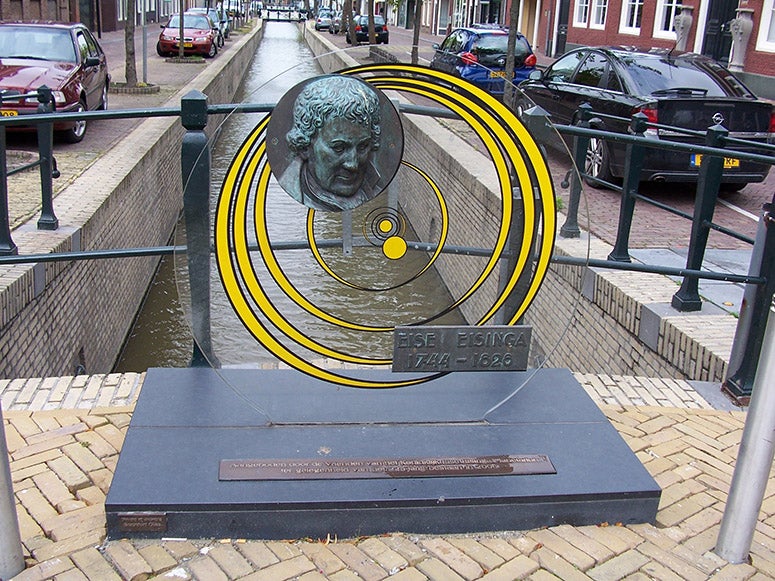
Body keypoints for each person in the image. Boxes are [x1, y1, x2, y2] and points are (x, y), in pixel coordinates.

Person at [276, 76, 385, 212]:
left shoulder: (375, 189)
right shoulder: (286, 202)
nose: (353, 164)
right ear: (305, 147)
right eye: (339, 148)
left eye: (362, 147)